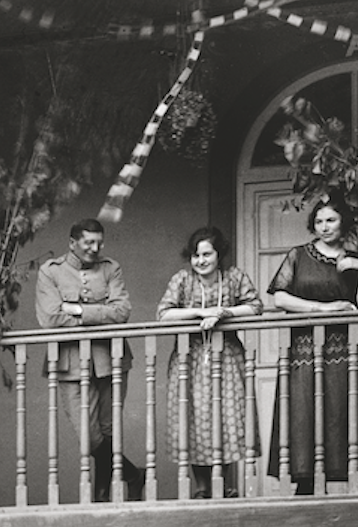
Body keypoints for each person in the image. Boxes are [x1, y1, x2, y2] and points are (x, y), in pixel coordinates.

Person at [265, 191, 358, 495]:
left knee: (340, 415)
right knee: (301, 414)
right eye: (319, 221)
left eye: (331, 220)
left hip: (340, 350)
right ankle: (304, 489)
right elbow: (280, 297)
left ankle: (338, 493)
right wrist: (323, 309)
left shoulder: (356, 259)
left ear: (343, 222)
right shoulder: (298, 255)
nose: (325, 226)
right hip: (302, 350)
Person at [35, 216, 136, 505]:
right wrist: (97, 313)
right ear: (72, 243)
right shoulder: (50, 272)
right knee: (89, 438)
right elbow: (50, 318)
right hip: (69, 363)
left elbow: (122, 311)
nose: (95, 248)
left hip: (110, 359)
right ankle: (132, 474)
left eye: (99, 242)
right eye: (88, 242)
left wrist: (76, 309)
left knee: (108, 429)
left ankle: (102, 496)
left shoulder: (110, 268)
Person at [158, 225, 259, 499]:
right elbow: (164, 313)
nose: (200, 261)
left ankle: (224, 484)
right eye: (195, 255)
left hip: (226, 358)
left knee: (225, 418)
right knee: (191, 418)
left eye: (206, 254)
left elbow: (255, 307)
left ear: (219, 254)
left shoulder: (234, 277)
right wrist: (200, 312)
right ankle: (202, 487)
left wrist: (223, 313)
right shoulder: (183, 280)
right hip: (189, 359)